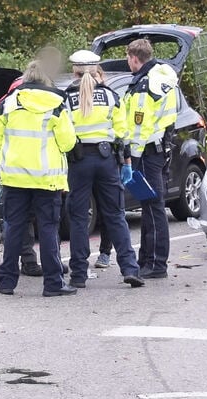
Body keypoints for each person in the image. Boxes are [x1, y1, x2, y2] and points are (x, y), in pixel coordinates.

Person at [0, 60, 77, 297]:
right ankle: (53, 284)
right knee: (48, 230)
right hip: (47, 180)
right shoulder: (57, 104)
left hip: (15, 178)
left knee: (14, 228)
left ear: (25, 79)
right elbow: (68, 142)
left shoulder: (7, 104)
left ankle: (6, 282)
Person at [64, 50, 144, 288]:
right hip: (107, 159)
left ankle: (78, 274)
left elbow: (63, 134)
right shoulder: (111, 96)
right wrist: (126, 163)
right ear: (96, 70)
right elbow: (123, 133)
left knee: (79, 218)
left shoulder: (66, 98)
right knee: (116, 215)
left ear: (74, 71)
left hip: (78, 161)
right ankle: (130, 269)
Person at [122, 39, 178, 279]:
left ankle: (155, 263)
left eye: (128, 58)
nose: (128, 63)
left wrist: (130, 157)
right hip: (157, 148)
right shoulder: (161, 77)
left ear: (134, 58)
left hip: (145, 151)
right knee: (149, 206)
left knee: (153, 206)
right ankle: (148, 258)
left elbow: (139, 125)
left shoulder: (145, 85)